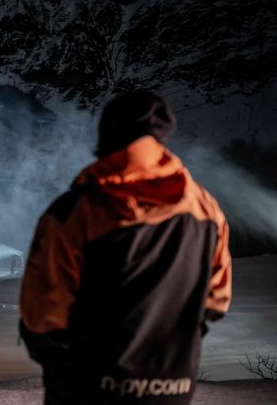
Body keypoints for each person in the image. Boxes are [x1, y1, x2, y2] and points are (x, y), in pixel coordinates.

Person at [19, 91, 232, 404]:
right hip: (172, 384)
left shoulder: (77, 210)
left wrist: (56, 358)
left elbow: (43, 312)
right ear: (163, 137)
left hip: (87, 386)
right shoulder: (206, 208)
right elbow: (217, 300)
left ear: (106, 135)